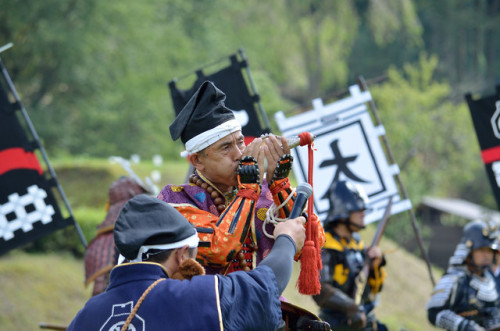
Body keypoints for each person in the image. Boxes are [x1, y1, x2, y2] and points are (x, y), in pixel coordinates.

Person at [67, 194, 307, 331]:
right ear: (182, 255)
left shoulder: (85, 315)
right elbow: (265, 286)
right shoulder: (194, 296)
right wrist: (286, 239)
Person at [157, 80, 325, 275]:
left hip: (256, 301)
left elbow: (312, 246)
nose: (239, 154)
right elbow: (220, 250)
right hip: (206, 303)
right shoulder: (175, 201)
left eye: (240, 143)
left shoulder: (260, 194)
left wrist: (280, 185)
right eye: (226, 147)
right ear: (197, 161)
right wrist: (248, 189)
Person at [312, 180, 387, 331]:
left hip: (364, 320)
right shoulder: (326, 245)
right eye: (358, 209)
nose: (363, 213)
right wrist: (351, 307)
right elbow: (320, 290)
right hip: (338, 324)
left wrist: (376, 265)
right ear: (343, 212)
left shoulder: (357, 243)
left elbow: (373, 289)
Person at [427, 220, 500, 331]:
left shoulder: (490, 281)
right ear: (469, 250)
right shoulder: (455, 279)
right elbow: (434, 313)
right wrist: (465, 326)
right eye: (481, 250)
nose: (486, 255)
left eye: (490, 251)